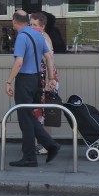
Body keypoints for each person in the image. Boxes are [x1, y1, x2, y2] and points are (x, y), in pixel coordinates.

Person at [4, 10, 61, 167]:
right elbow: (49, 57)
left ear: (14, 22)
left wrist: (8, 81)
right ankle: (39, 150)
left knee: (25, 118)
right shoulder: (37, 34)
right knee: (28, 117)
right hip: (36, 80)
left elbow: (19, 62)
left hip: (25, 80)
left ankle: (41, 150)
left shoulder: (22, 37)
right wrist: (50, 78)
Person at [31, 12, 61, 148]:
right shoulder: (43, 36)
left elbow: (48, 58)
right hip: (46, 77)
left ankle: (46, 145)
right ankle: (44, 143)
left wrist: (50, 79)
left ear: (42, 26)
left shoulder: (42, 38)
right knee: (42, 112)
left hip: (45, 79)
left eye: (35, 25)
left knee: (44, 112)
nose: (32, 27)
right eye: (30, 24)